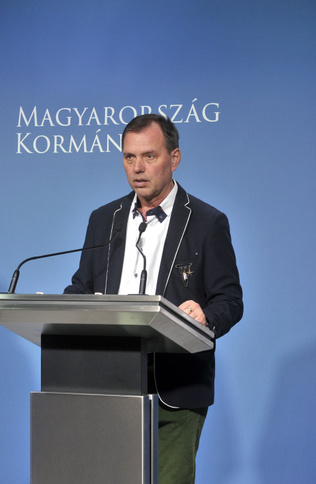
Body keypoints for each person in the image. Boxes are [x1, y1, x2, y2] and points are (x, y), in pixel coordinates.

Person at [64, 114, 243, 483]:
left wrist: (206, 316)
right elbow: (81, 286)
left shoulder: (207, 222)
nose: (138, 168)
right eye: (129, 158)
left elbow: (230, 300)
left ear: (174, 158)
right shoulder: (103, 220)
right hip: (108, 384)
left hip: (176, 388)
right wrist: (67, 308)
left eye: (149, 156)